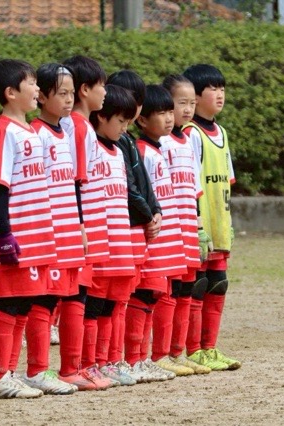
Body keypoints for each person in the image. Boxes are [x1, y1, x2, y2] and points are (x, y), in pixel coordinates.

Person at [0, 59, 62, 399]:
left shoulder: (30, 131)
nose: (37, 89)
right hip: (17, 237)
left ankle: (11, 373)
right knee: (11, 303)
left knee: (26, 304)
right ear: (11, 93)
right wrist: (4, 235)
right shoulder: (4, 131)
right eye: (31, 84)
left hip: (37, 236)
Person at [24, 63, 85, 395]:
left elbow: (73, 184)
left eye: (72, 93)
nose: (68, 99)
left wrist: (79, 224)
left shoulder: (66, 132)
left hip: (69, 231)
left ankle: (66, 369)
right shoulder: (36, 134)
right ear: (42, 96)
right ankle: (37, 370)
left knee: (67, 295)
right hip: (49, 233)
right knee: (44, 300)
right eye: (62, 93)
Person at [124, 84, 190, 381]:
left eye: (169, 112)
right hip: (151, 239)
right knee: (145, 295)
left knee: (155, 295)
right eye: (161, 113)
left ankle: (146, 358)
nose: (169, 118)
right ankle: (134, 358)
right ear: (141, 119)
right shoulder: (142, 150)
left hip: (166, 236)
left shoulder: (158, 149)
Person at [182, 64, 242, 371]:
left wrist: (227, 225)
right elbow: (190, 184)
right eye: (212, 89)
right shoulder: (190, 134)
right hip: (199, 229)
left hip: (219, 228)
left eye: (222, 88)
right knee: (198, 285)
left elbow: (226, 184)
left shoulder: (222, 133)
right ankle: (193, 350)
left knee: (218, 285)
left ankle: (210, 347)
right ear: (194, 95)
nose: (219, 95)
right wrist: (197, 225)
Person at [103, 69, 161, 384]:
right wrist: (148, 214)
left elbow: (144, 184)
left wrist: (155, 210)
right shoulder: (117, 141)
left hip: (138, 227)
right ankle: (115, 360)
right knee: (116, 300)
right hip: (124, 229)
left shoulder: (125, 138)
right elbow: (130, 188)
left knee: (127, 298)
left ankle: (128, 360)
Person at [59, 55, 113, 391]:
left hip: (89, 225)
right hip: (82, 227)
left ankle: (82, 366)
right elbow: (77, 182)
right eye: (101, 86)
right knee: (76, 298)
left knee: (82, 298)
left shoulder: (83, 127)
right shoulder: (78, 128)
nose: (105, 92)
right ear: (84, 90)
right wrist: (80, 226)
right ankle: (71, 368)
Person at [152, 74, 211, 375]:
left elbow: (195, 190)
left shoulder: (188, 140)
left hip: (188, 228)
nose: (187, 109)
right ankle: (160, 353)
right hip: (169, 230)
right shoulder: (160, 143)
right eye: (180, 103)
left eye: (191, 104)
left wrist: (199, 227)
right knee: (169, 291)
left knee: (187, 289)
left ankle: (178, 352)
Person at [86, 84, 140, 387]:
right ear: (102, 117)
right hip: (99, 244)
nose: (125, 128)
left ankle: (104, 362)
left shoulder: (118, 151)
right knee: (92, 307)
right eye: (121, 121)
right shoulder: (90, 147)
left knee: (110, 306)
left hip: (120, 243)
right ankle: (87, 363)